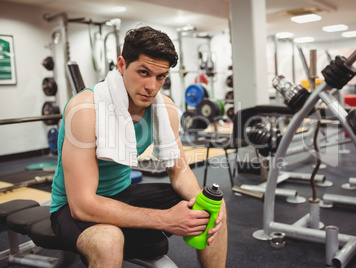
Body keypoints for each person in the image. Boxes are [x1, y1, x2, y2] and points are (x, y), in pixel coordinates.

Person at [49, 26, 227, 267]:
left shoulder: (165, 110)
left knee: (212, 206)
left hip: (122, 194)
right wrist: (165, 220)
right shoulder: (85, 110)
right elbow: (83, 205)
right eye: (143, 72)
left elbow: (179, 170)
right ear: (122, 65)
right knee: (107, 240)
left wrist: (200, 201)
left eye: (160, 77)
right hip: (70, 207)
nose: (151, 86)